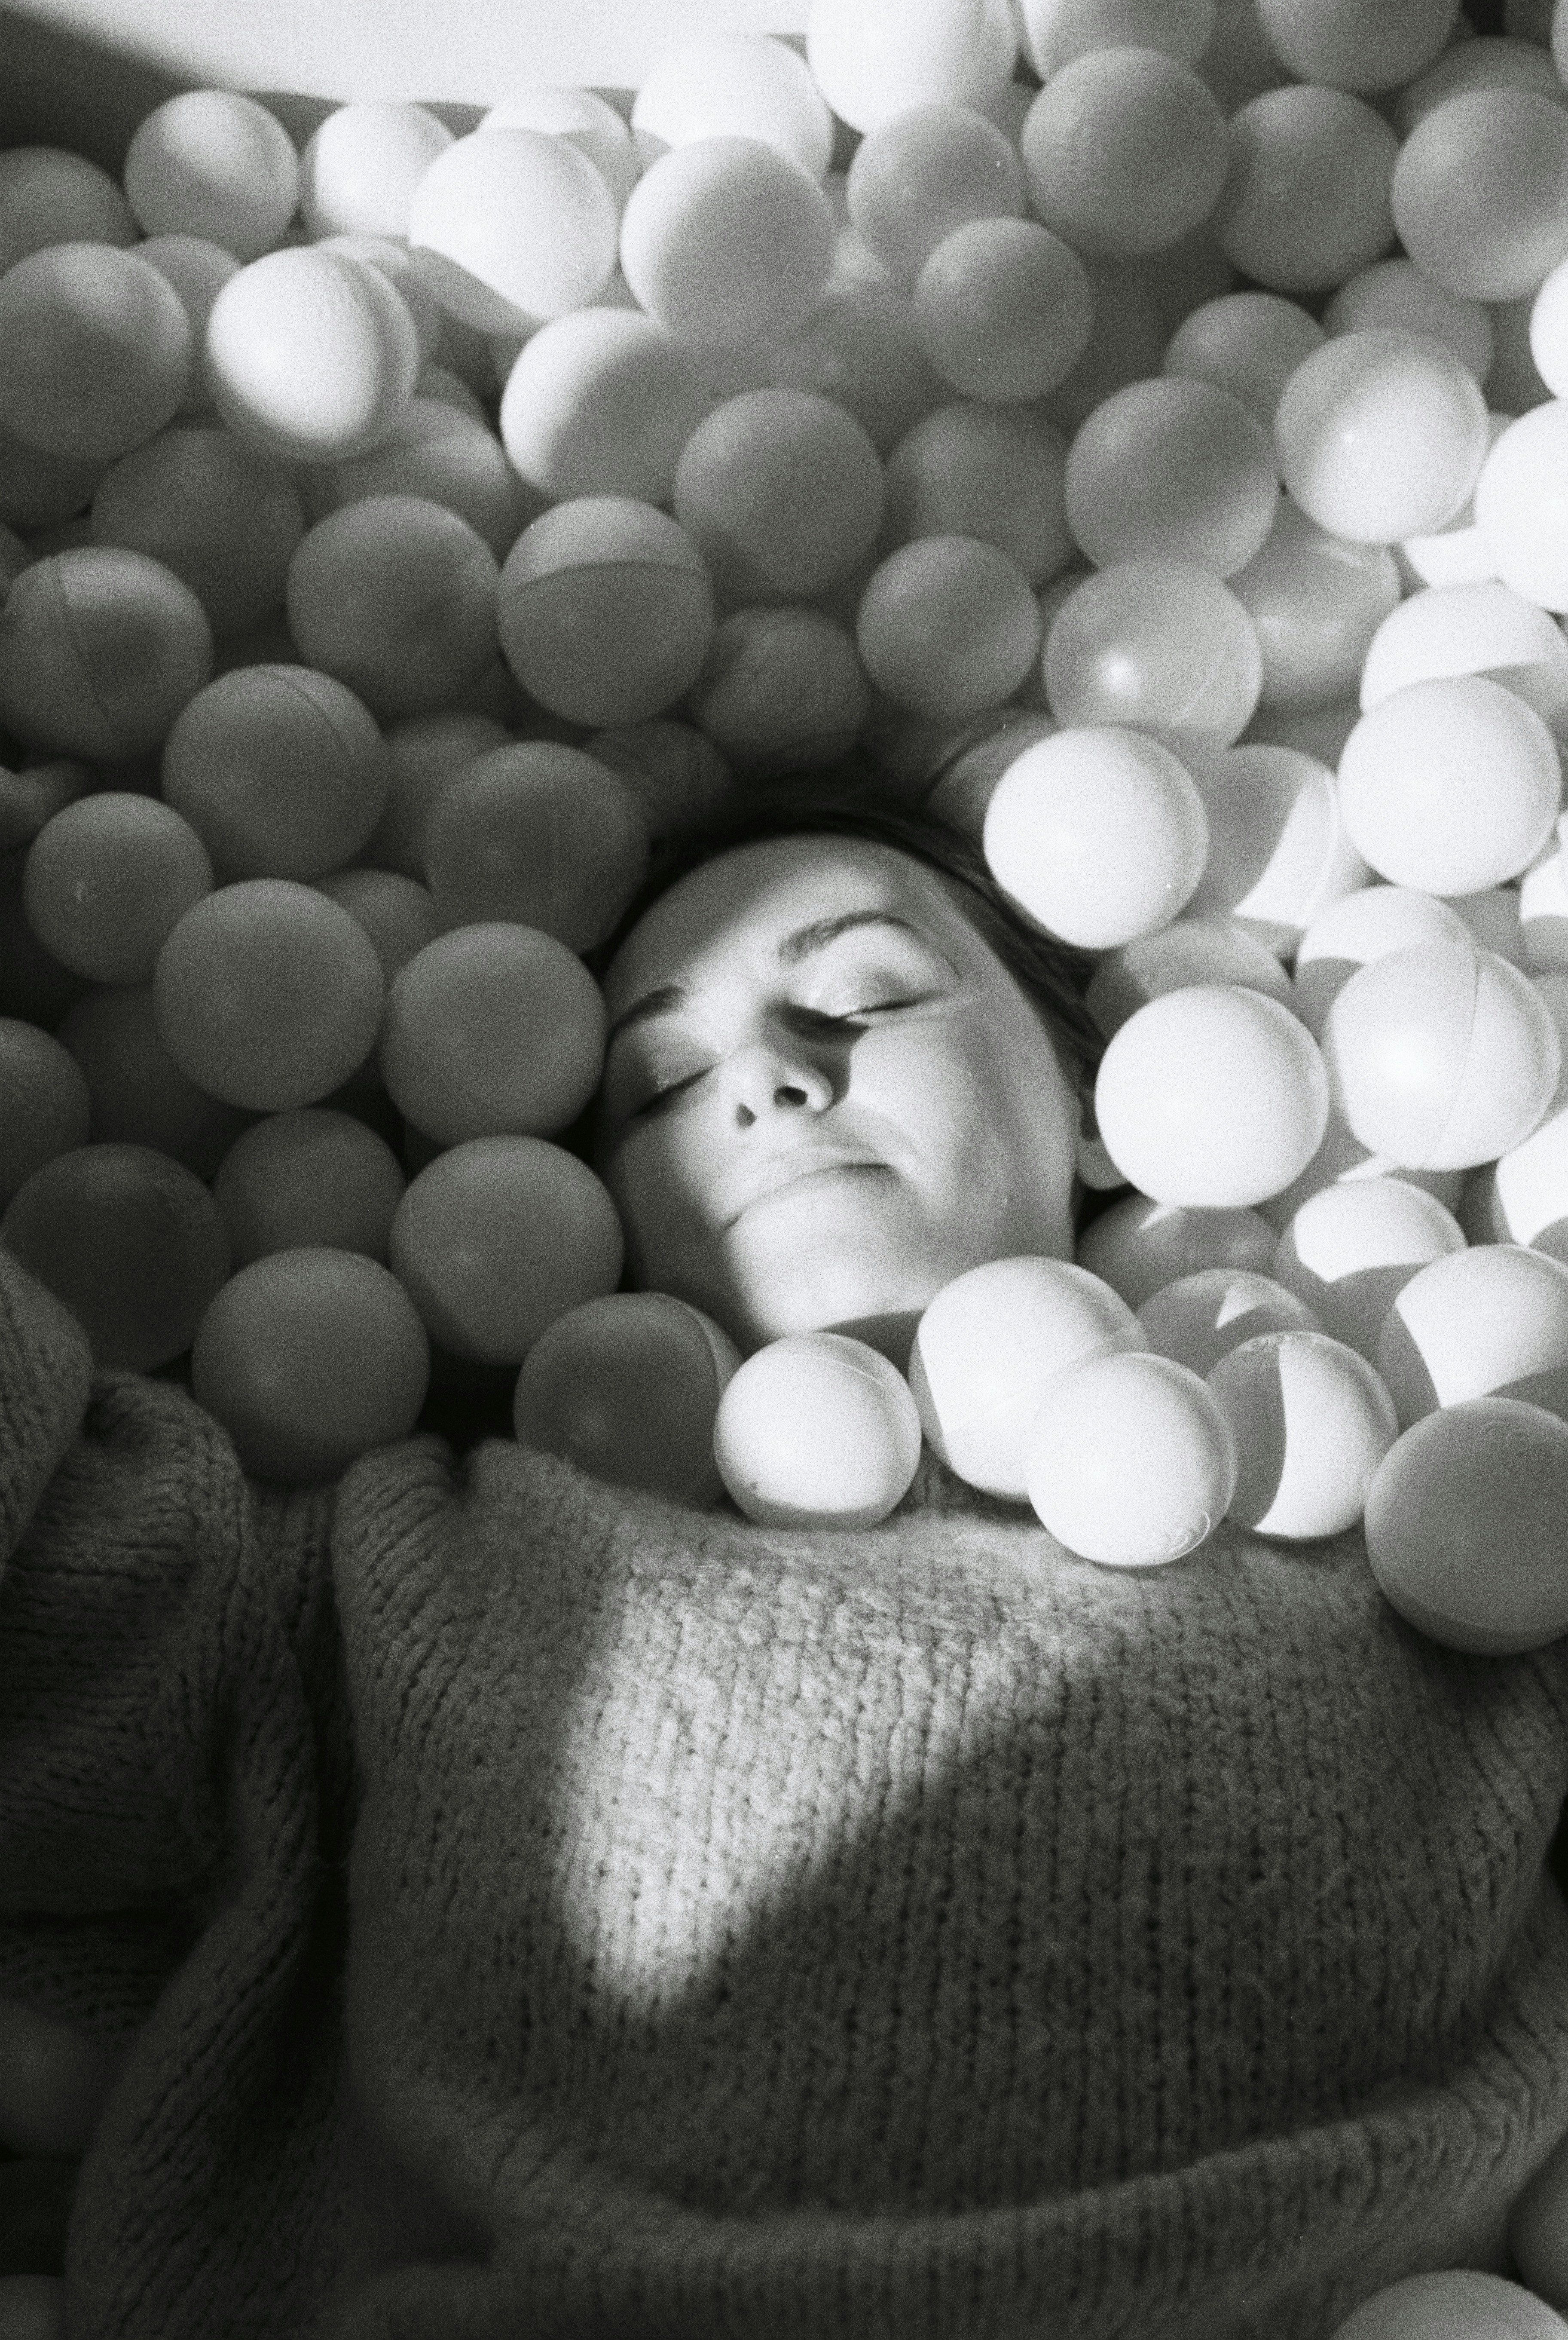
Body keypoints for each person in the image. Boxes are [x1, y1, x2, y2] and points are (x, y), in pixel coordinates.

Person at [3, 760, 1568, 2340]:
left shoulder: (1446, 1548)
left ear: (1105, 1090)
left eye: (867, 991)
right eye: (661, 1085)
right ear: (599, 1208)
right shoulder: (438, 1565)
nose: (764, 1078)